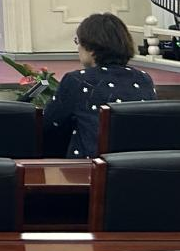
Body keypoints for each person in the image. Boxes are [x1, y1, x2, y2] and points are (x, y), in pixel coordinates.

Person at [44, 12, 155, 158]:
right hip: (138, 165)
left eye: (78, 42)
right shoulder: (144, 79)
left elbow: (49, 125)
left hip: (90, 168)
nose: (78, 48)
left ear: (90, 47)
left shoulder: (78, 80)